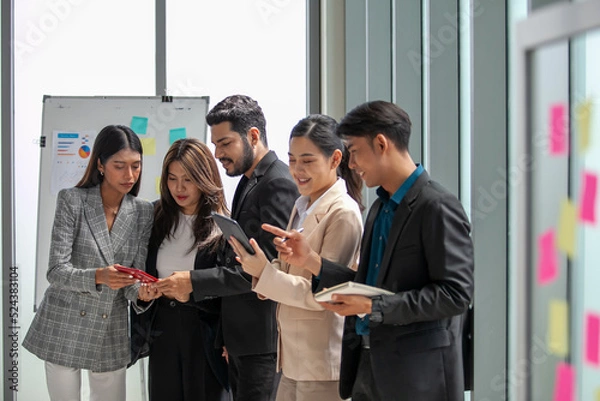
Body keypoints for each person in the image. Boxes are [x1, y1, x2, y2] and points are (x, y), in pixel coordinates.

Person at [262, 101, 474, 401]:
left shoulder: (436, 206)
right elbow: (365, 286)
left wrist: (373, 307)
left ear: (381, 144)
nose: (351, 164)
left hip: (417, 378)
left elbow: (456, 294)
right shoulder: (379, 207)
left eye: (355, 151)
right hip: (368, 368)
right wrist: (311, 260)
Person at [153, 95, 299, 401]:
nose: (218, 153)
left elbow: (266, 270)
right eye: (215, 144)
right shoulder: (249, 182)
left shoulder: (277, 183)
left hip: (262, 343)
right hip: (241, 342)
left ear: (253, 136)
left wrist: (192, 282)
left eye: (225, 143)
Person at [228, 114, 364, 401]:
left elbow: (326, 295)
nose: (297, 170)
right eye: (292, 160)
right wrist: (261, 269)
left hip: (322, 365)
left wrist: (266, 275)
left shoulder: (343, 213)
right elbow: (291, 270)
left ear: (335, 159)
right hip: (291, 360)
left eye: (308, 160)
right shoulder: (302, 204)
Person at [23, 125, 156, 401]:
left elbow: (133, 281)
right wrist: (99, 276)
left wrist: (143, 294)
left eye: (136, 166)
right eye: (119, 166)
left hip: (111, 326)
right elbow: (56, 270)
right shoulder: (72, 200)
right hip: (65, 322)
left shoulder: (143, 212)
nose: (129, 175)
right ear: (100, 164)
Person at [140, 138, 230, 401]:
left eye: (188, 179)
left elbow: (230, 287)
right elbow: (142, 270)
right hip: (162, 329)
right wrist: (143, 293)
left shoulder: (222, 224)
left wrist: (189, 293)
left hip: (203, 334)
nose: (179, 188)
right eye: (172, 178)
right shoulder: (155, 217)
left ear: (204, 178)